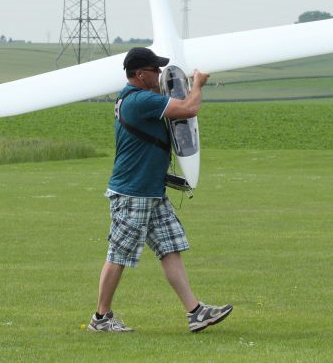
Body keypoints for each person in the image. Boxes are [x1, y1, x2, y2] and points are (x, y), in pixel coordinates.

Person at [88, 47, 233, 333]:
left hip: (151, 191)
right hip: (133, 192)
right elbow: (189, 109)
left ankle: (196, 312)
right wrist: (198, 85)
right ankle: (101, 318)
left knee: (170, 248)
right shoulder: (141, 100)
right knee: (119, 254)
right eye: (155, 70)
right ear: (140, 75)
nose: (160, 74)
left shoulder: (135, 97)